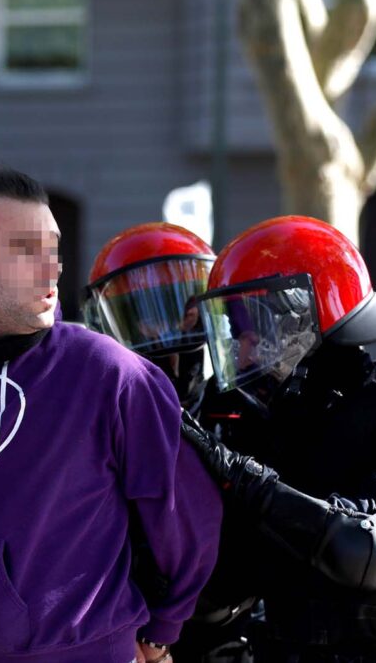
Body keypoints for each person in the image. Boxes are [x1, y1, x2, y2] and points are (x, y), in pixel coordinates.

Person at [0, 169, 222, 663]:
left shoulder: (109, 373)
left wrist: (164, 627)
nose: (52, 269)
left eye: (53, 248)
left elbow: (182, 515)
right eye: (25, 251)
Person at [180, 216, 376, 662]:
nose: (243, 354)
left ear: (306, 321)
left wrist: (240, 478)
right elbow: (228, 583)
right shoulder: (275, 424)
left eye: (254, 333)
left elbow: (367, 551)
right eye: (234, 335)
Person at [85, 223, 254, 661]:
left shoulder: (240, 405)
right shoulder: (97, 417)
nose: (170, 329)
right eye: (146, 311)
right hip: (134, 631)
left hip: (233, 623)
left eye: (186, 308)